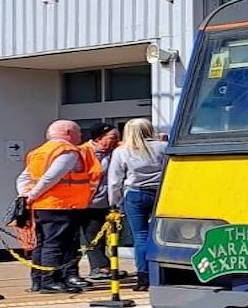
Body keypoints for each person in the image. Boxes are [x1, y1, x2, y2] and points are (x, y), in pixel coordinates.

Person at [16, 120, 102, 293]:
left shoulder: (38, 152)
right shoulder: (67, 151)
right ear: (69, 132)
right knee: (56, 244)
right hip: (61, 205)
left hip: (42, 206)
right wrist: (32, 195)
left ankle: (38, 280)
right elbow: (51, 177)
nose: (81, 136)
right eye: (78, 132)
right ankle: (50, 280)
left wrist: (25, 195)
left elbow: (23, 178)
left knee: (42, 243)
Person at [108, 117, 167, 291]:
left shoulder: (122, 151)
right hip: (160, 193)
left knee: (140, 236)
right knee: (161, 235)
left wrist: (115, 203)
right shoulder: (163, 148)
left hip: (135, 194)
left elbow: (114, 180)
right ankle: (162, 273)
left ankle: (143, 277)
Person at [79, 122, 120, 280]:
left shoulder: (114, 151)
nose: (116, 140)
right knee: (92, 234)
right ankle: (99, 267)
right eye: (112, 137)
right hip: (87, 202)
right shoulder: (83, 152)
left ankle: (105, 265)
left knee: (103, 235)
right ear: (98, 138)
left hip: (105, 201)